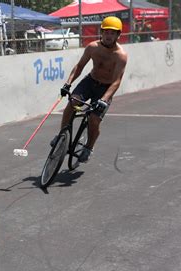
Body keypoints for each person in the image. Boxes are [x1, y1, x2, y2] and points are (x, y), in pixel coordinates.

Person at [55, 16, 128, 163]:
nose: (109, 36)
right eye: (106, 32)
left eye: (112, 33)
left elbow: (116, 81)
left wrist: (104, 99)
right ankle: (61, 136)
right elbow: (80, 66)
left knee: (94, 120)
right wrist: (68, 83)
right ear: (101, 32)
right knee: (72, 102)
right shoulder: (92, 47)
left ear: (118, 35)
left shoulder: (120, 55)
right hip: (90, 81)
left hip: (105, 89)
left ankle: (88, 147)